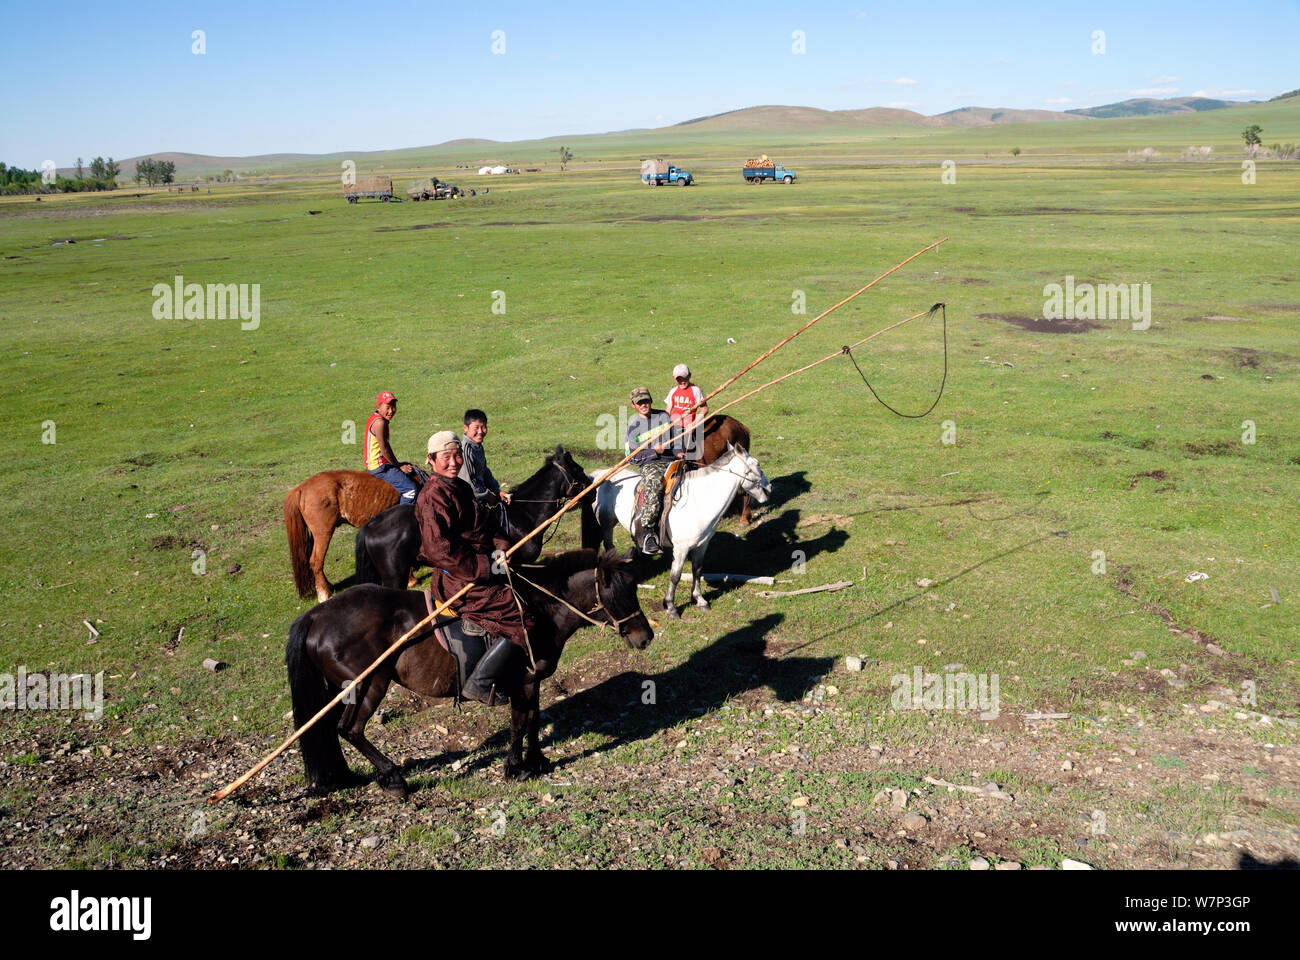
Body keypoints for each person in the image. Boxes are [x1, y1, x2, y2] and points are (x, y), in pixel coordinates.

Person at [415, 430, 534, 704]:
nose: (454, 462)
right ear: (431, 460)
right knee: (521, 616)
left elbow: (486, 525)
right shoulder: (433, 496)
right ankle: (480, 684)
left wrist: (501, 547)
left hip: (485, 564)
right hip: (460, 579)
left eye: (457, 455)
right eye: (446, 457)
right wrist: (486, 567)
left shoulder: (461, 487)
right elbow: (440, 550)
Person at [625, 386, 683, 555]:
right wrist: (653, 451)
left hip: (671, 460)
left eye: (646, 401)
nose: (644, 404)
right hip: (650, 465)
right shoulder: (633, 426)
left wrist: (678, 451)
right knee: (655, 484)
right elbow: (632, 457)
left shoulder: (664, 416)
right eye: (639, 402)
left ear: (651, 400)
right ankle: (649, 532)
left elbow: (675, 439)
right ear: (633, 405)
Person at [364, 391, 419, 505]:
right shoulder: (380, 423)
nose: (391, 411)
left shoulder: (375, 417)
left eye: (393, 407)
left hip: (375, 463)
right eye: (387, 407)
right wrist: (398, 466)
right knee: (411, 490)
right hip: (379, 466)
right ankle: (402, 518)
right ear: (378, 407)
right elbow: (384, 449)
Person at [458, 408, 510, 506]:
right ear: (465, 428)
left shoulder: (477, 446)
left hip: (480, 498)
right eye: (476, 428)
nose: (480, 431)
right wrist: (488, 496)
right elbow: (469, 483)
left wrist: (497, 491)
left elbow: (484, 471)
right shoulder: (465, 451)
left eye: (484, 427)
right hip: (468, 502)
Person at [664, 363, 708, 460]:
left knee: (681, 448)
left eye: (685, 378)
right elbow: (668, 410)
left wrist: (694, 423)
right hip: (674, 425)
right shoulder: (673, 391)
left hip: (687, 427)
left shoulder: (695, 390)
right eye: (679, 379)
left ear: (689, 376)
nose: (682, 381)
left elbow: (704, 409)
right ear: (674, 378)